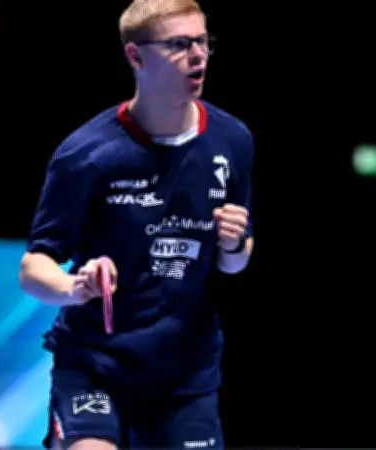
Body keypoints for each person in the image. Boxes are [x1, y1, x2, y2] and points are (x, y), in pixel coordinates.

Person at [19, 0, 254, 448]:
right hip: (96, 364)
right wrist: (75, 287)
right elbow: (34, 266)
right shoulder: (87, 153)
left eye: (203, 41)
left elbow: (235, 263)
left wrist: (233, 245)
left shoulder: (232, 140)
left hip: (185, 375)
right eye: (179, 44)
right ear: (135, 56)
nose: (198, 55)